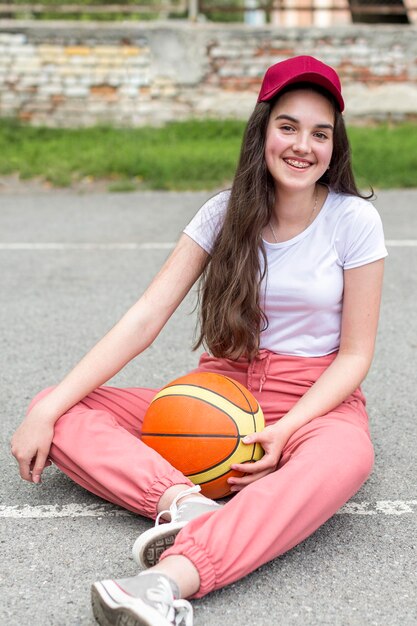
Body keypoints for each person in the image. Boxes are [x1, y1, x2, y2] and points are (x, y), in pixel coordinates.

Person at [11, 55, 388, 626]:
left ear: (336, 145)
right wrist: (52, 405)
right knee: (55, 408)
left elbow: (356, 354)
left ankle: (164, 581)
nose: (302, 146)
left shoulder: (354, 221)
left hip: (314, 401)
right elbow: (145, 317)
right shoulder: (222, 213)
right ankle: (183, 503)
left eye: (320, 133)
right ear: (261, 131)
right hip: (218, 396)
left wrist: (286, 429)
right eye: (287, 126)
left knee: (348, 457)